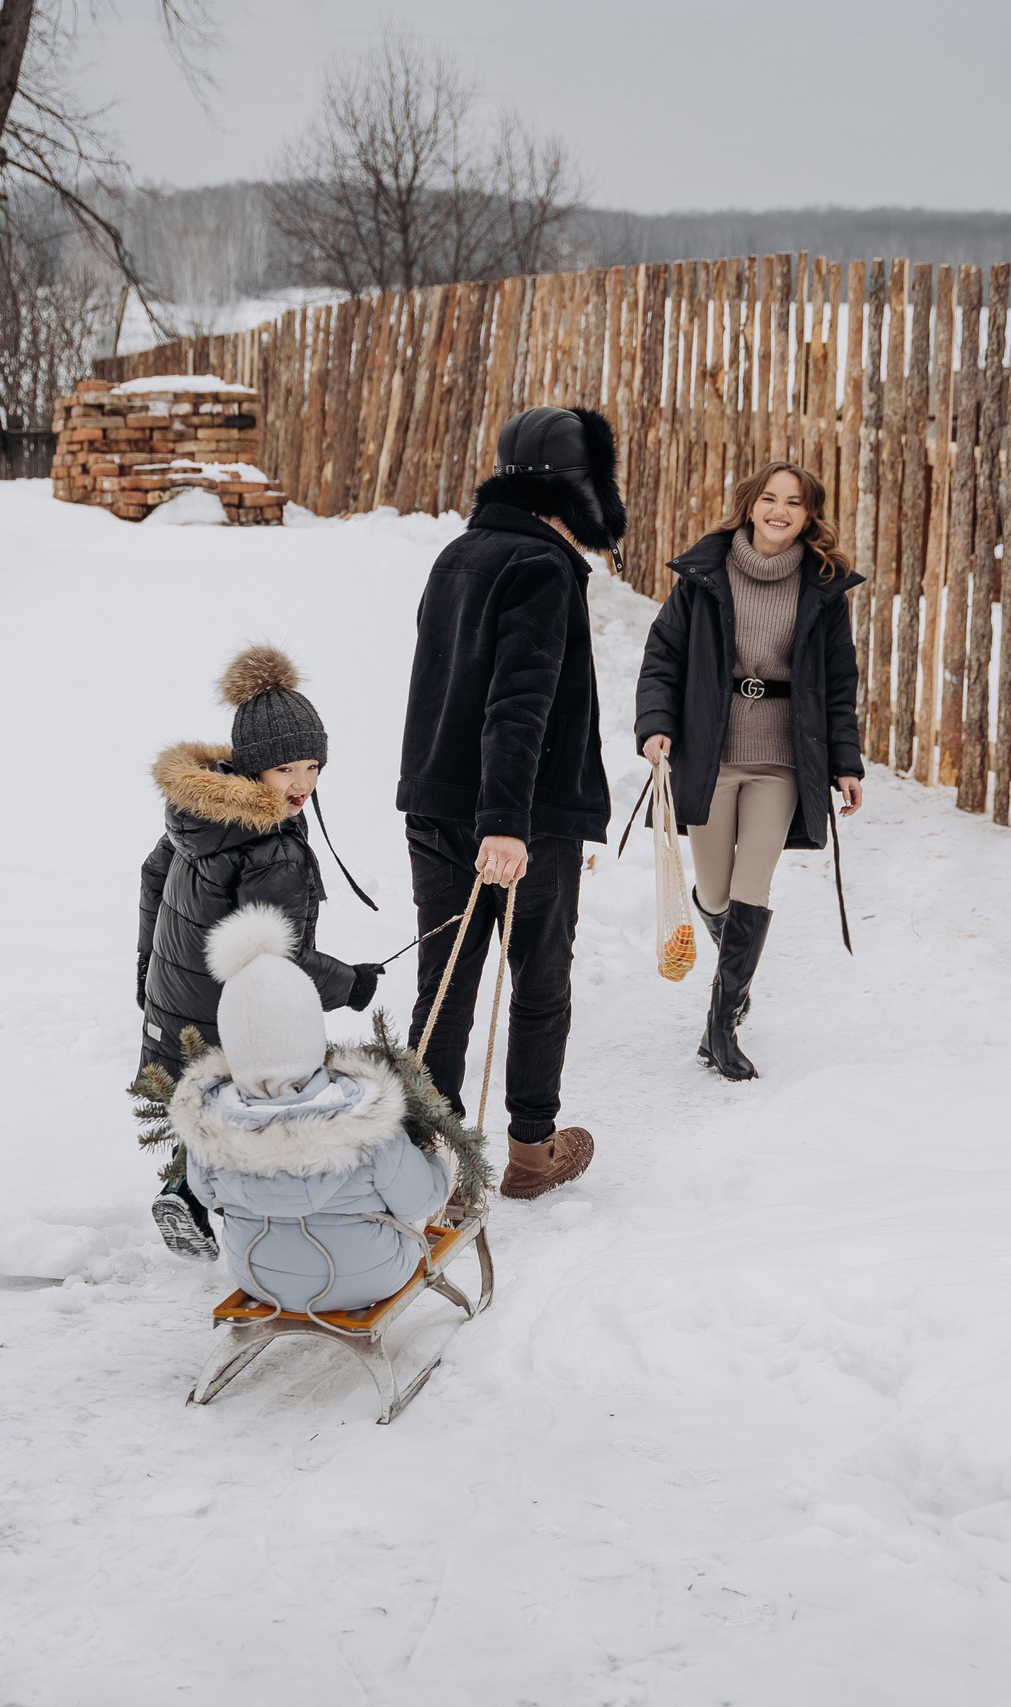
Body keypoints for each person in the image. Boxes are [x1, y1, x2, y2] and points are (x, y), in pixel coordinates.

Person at [395, 404, 620, 1200]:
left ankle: (429, 1155)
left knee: (445, 979)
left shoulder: (459, 554)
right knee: (538, 978)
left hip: (437, 801)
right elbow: (518, 703)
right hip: (522, 816)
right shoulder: (544, 567)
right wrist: (505, 823)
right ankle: (530, 1150)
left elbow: (445, 683)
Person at [139, 645, 381, 1260]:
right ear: (253, 770)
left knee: (201, 1099)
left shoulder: (200, 815)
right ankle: (216, 1204)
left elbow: (152, 877)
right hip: (235, 1007)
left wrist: (148, 971)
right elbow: (276, 963)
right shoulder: (269, 847)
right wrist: (349, 984)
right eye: (286, 771)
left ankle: (182, 1187)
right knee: (248, 1109)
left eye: (313, 767)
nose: (303, 784)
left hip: (178, 992)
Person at [633, 460, 863, 1082]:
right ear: (750, 504)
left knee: (751, 889)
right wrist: (656, 724)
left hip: (782, 761)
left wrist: (845, 762)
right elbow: (662, 659)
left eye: (795, 502)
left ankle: (721, 1024)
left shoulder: (823, 587)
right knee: (713, 892)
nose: (780, 510)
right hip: (712, 752)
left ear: (809, 516)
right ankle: (735, 969)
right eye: (770, 498)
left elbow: (839, 685)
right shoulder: (704, 574)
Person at [175, 903, 458, 1313]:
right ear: (310, 1033)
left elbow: (205, 1194)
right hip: (370, 1276)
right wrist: (438, 1161)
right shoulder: (364, 1118)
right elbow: (418, 1202)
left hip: (258, 1275)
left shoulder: (209, 1126)